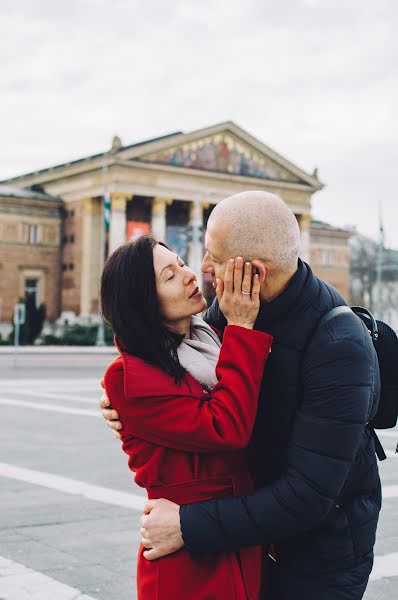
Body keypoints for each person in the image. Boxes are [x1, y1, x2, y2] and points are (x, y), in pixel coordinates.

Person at [101, 191, 381, 600]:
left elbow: (306, 497)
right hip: (247, 542)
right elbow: (164, 352)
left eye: (212, 256)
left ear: (255, 272)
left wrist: (186, 525)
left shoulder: (338, 344)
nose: (201, 270)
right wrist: (121, 400)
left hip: (320, 559)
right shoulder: (226, 313)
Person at [100, 235, 273, 600]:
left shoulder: (208, 339)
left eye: (181, 263)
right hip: (189, 559)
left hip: (237, 534)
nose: (190, 274)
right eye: (170, 275)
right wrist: (242, 329)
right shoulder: (128, 377)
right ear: (145, 302)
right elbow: (226, 428)